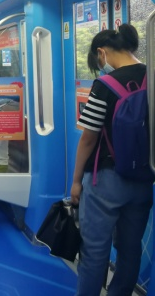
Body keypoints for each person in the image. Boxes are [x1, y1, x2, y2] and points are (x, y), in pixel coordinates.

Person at [70, 24, 152, 296]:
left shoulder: (104, 85)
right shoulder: (152, 76)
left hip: (106, 180)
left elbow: (89, 138)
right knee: (130, 248)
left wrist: (76, 181)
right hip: (144, 178)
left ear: (102, 52)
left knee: (95, 251)